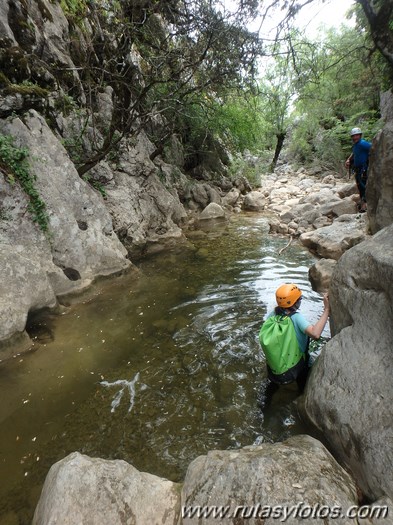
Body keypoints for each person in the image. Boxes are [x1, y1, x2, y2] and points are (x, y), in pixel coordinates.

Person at [258, 283, 330, 408]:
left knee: (272, 384)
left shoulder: (272, 315)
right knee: (304, 383)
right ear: (295, 303)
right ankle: (301, 402)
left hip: (274, 366)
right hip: (297, 366)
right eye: (300, 299)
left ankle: (265, 406)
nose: (300, 301)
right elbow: (315, 334)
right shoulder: (296, 318)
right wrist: (326, 310)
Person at [345, 127, 371, 213]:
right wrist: (349, 159)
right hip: (358, 170)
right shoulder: (356, 145)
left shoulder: (363, 143)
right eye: (353, 136)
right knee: (360, 186)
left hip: (363, 168)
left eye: (357, 135)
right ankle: (363, 203)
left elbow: (372, 147)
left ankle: (365, 206)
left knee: (364, 186)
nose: (355, 137)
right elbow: (355, 152)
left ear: (360, 135)